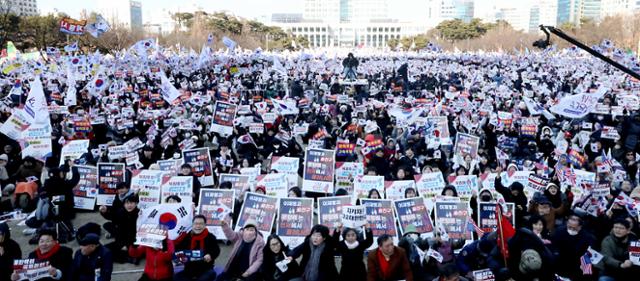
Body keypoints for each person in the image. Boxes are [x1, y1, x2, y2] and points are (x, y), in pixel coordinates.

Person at [174, 215, 221, 281]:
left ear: (205, 225)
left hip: (205, 269)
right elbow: (178, 249)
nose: (198, 226)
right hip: (189, 270)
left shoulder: (210, 237)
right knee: (176, 278)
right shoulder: (186, 237)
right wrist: (179, 257)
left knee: (210, 275)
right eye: (196, 223)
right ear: (192, 225)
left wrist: (210, 255)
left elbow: (216, 249)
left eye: (201, 224)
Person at [551, 214, 596, 280]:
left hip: (576, 266)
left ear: (580, 227)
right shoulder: (559, 231)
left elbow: (589, 254)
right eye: (569, 227)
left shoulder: (588, 238)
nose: (571, 230)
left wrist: (585, 263)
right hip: (560, 263)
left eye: (574, 228)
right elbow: (554, 247)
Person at [104, 194, 139, 263]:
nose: (129, 205)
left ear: (136, 203)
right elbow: (118, 230)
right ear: (124, 204)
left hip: (134, 241)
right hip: (122, 240)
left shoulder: (139, 214)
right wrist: (104, 212)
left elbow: (136, 234)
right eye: (127, 203)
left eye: (131, 203)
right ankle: (127, 257)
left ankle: (128, 258)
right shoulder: (121, 212)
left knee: (125, 252)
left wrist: (127, 245)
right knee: (104, 249)